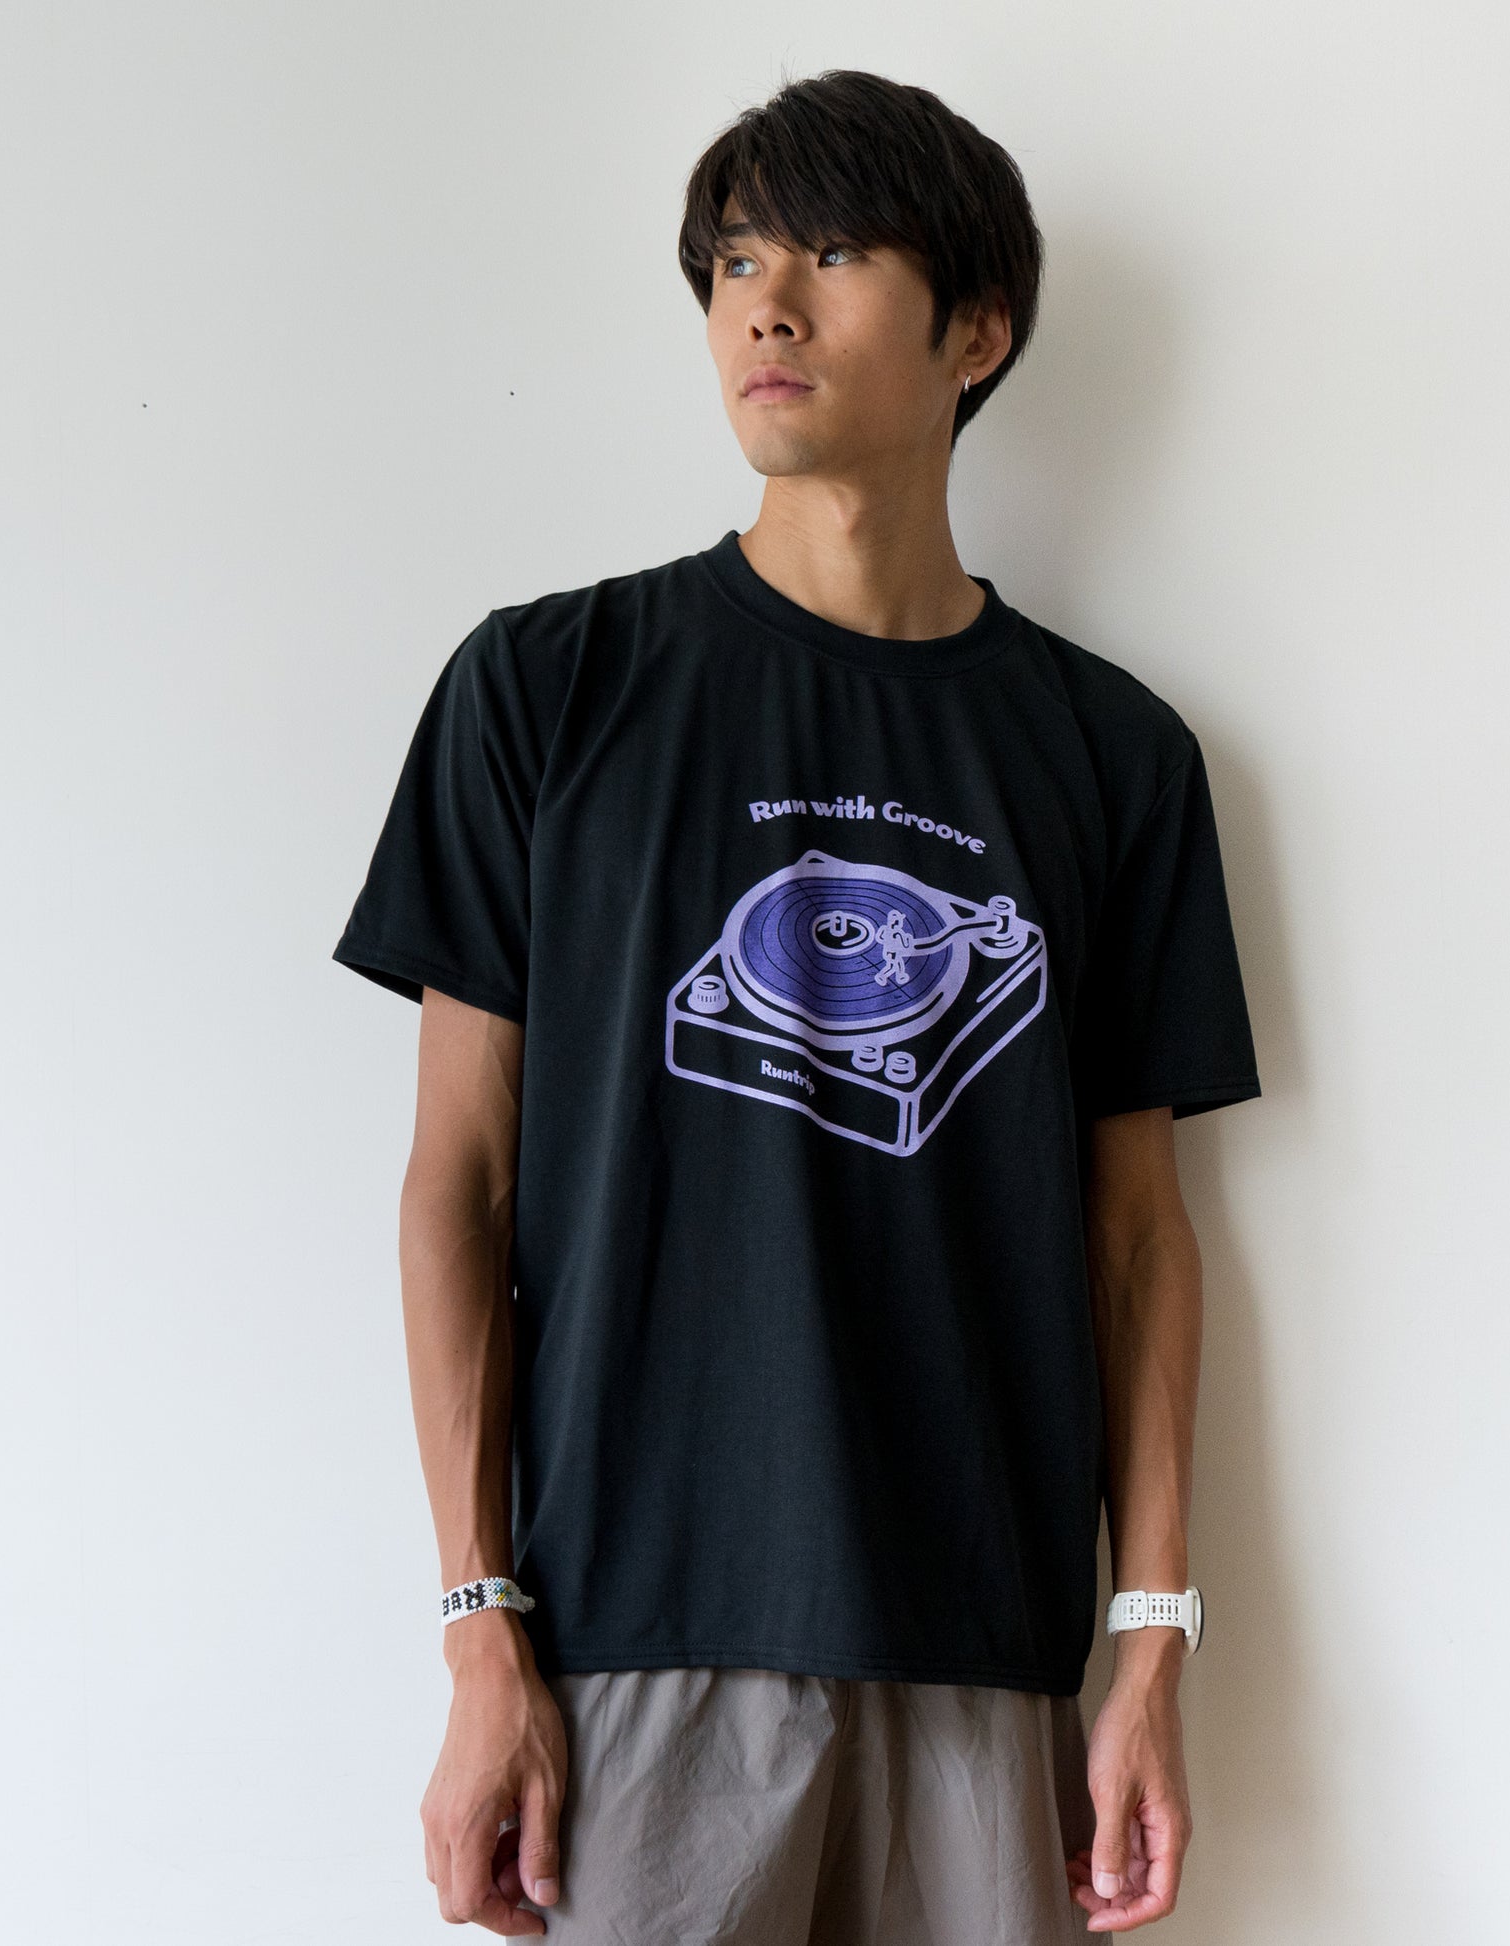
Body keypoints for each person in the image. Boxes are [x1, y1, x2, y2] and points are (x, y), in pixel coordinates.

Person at [335, 68, 1261, 1943]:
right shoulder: (544, 688)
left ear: (974, 332)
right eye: (736, 260)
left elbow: (1141, 1237)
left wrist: (1149, 1641)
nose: (764, 304)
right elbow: (455, 1184)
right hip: (633, 1634)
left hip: (982, 1641)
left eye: (832, 254)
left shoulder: (1115, 753)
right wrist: (478, 1630)